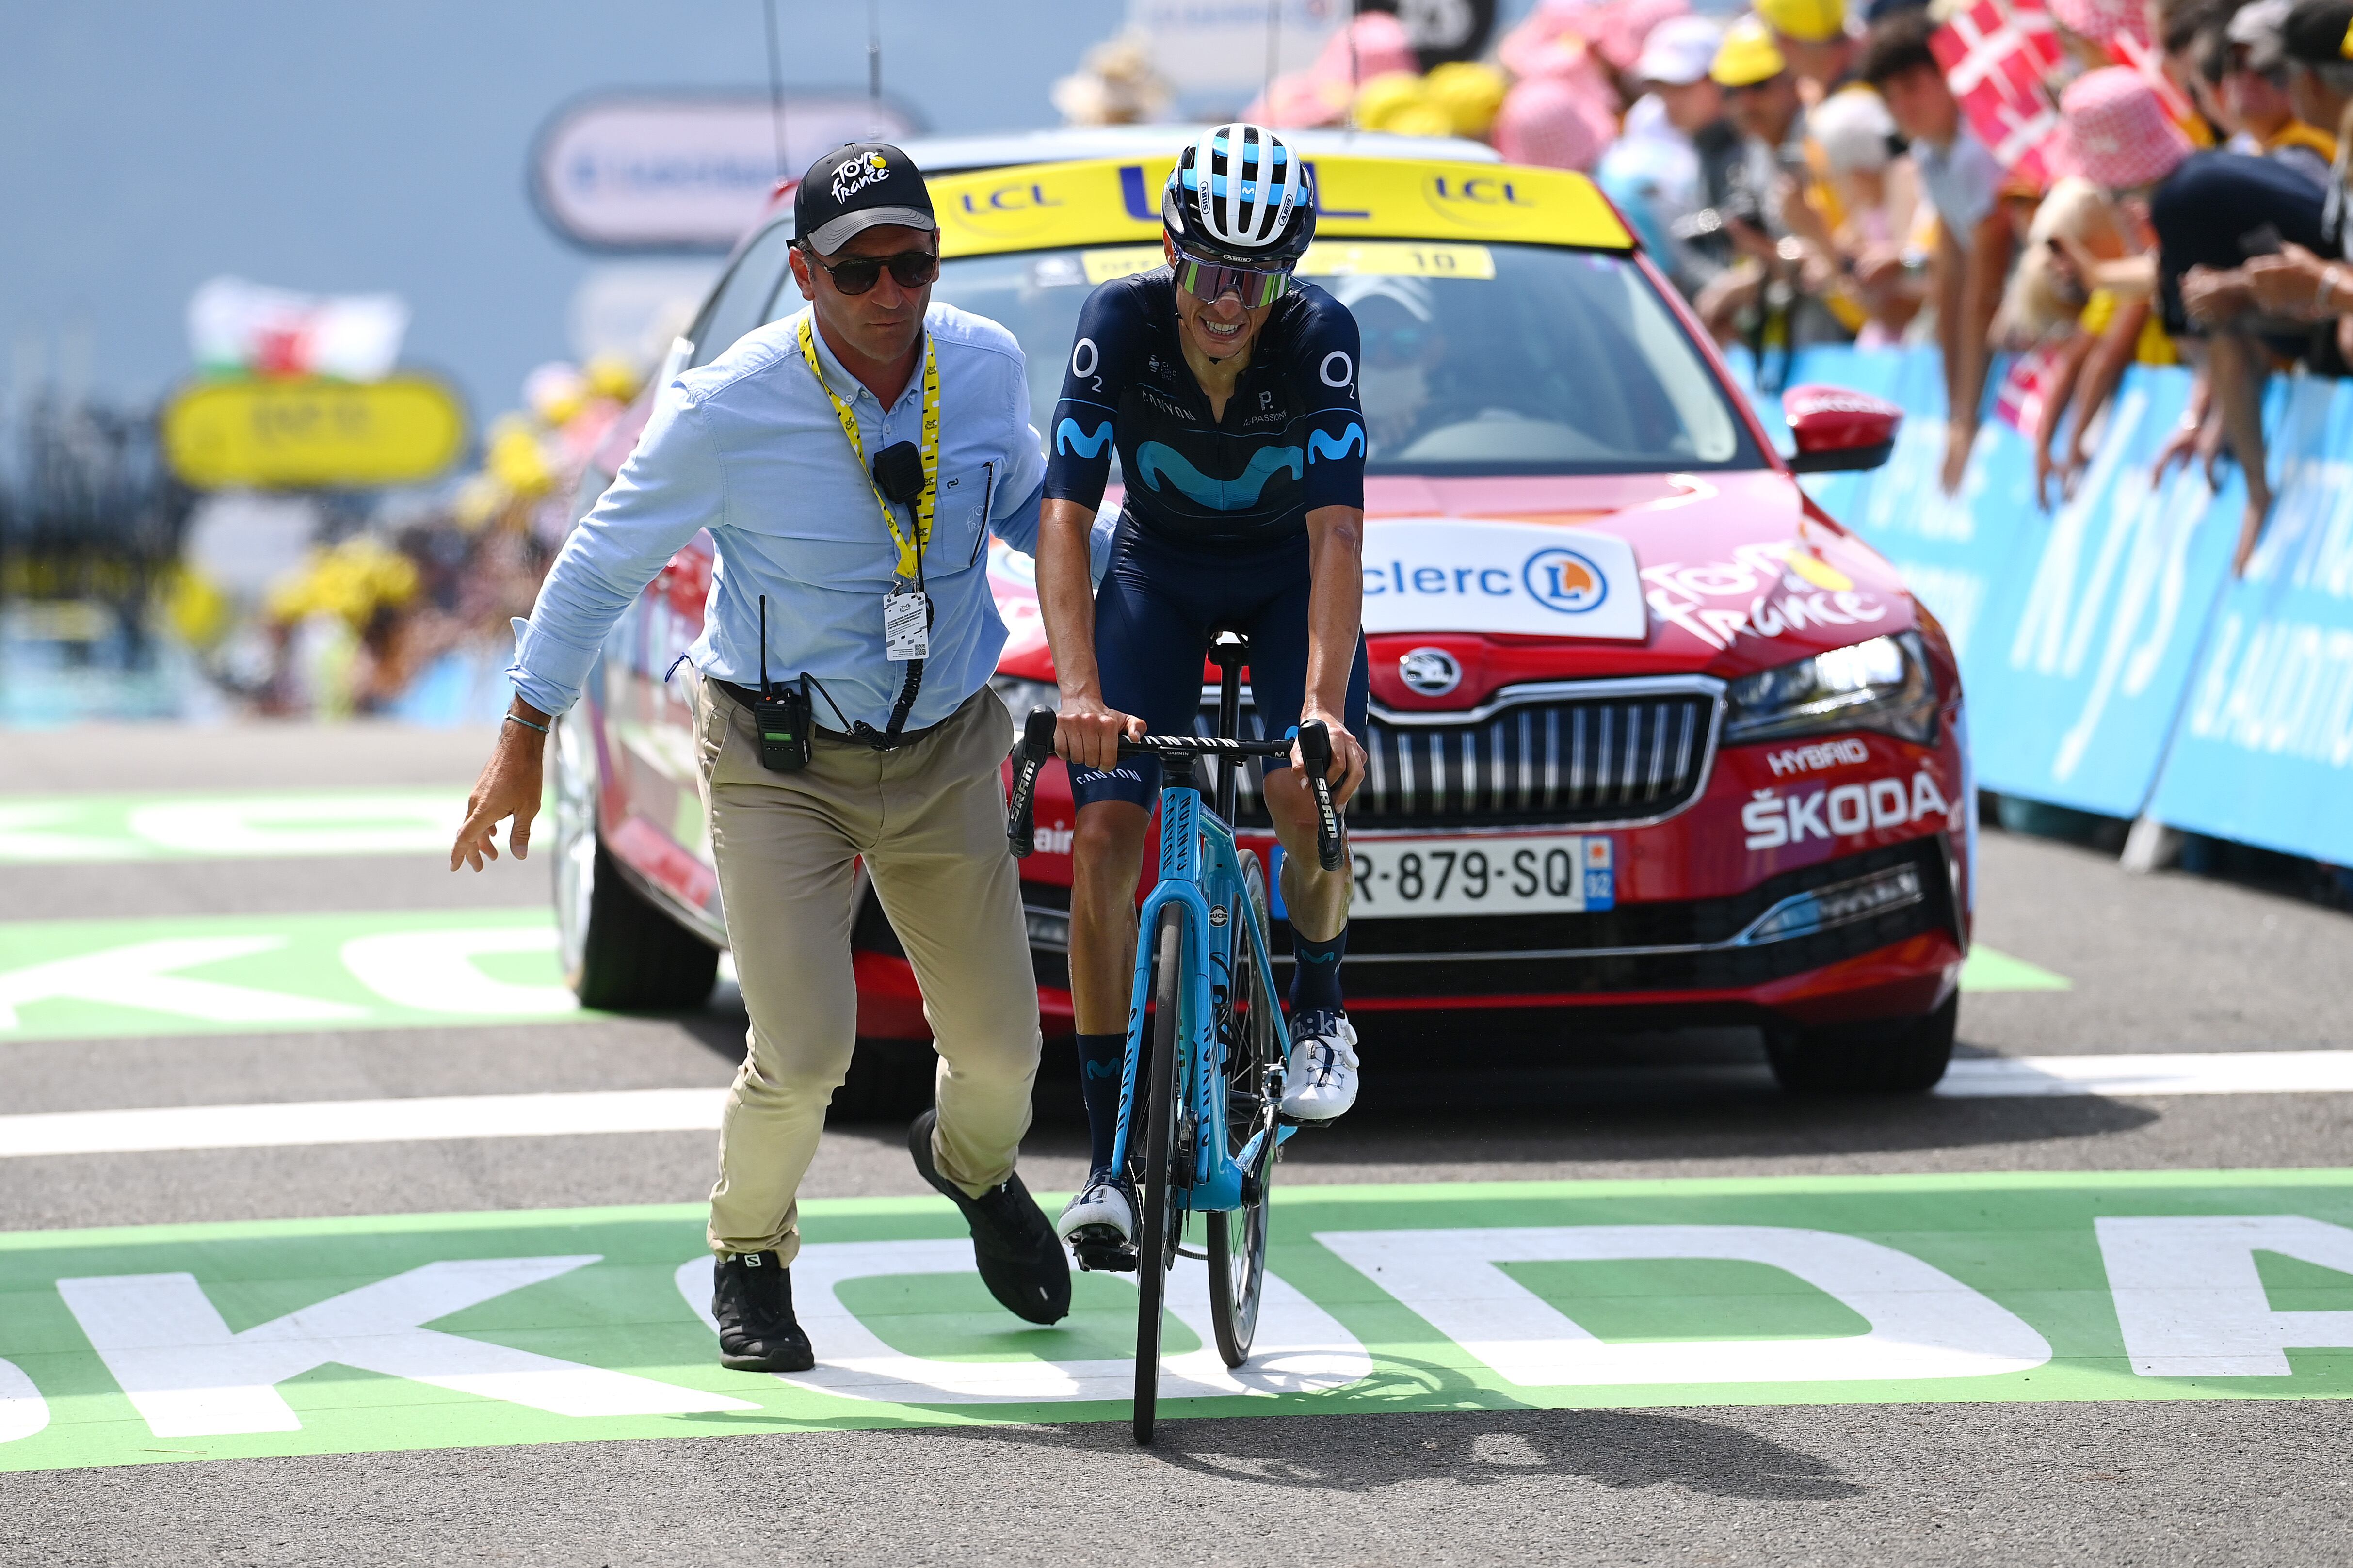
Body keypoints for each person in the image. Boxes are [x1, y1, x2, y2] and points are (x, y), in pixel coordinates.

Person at [449, 143, 1070, 1371]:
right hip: (781, 758)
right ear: (803, 275)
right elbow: (598, 563)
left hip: (946, 747)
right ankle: (747, 1254)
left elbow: (1035, 521)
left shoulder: (986, 368)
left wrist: (1145, 614)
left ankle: (968, 1166)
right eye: (860, 271)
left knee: (1002, 1055)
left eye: (916, 262)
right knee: (806, 1051)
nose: (893, 293)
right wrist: (525, 736)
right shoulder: (729, 405)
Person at [1031, 125, 1372, 1267]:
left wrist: (1322, 705)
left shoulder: (1320, 337)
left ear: (1289, 273)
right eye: (1209, 270)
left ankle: (1320, 1010)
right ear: (1172, 251)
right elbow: (1067, 519)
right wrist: (1078, 688)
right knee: (1102, 838)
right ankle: (1107, 1167)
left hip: (1284, 583)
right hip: (1158, 579)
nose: (1229, 302)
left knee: (1296, 783)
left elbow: (1334, 532)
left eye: (1257, 276)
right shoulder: (1118, 326)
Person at [1860, 12, 2017, 492]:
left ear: (1947, 77)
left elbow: (1983, 290)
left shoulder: (1978, 149)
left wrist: (1963, 424)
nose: (1902, 106)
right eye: (1890, 98)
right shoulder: (1928, 153)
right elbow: (1952, 280)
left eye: (1912, 86)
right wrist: (1955, 417)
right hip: (1995, 311)